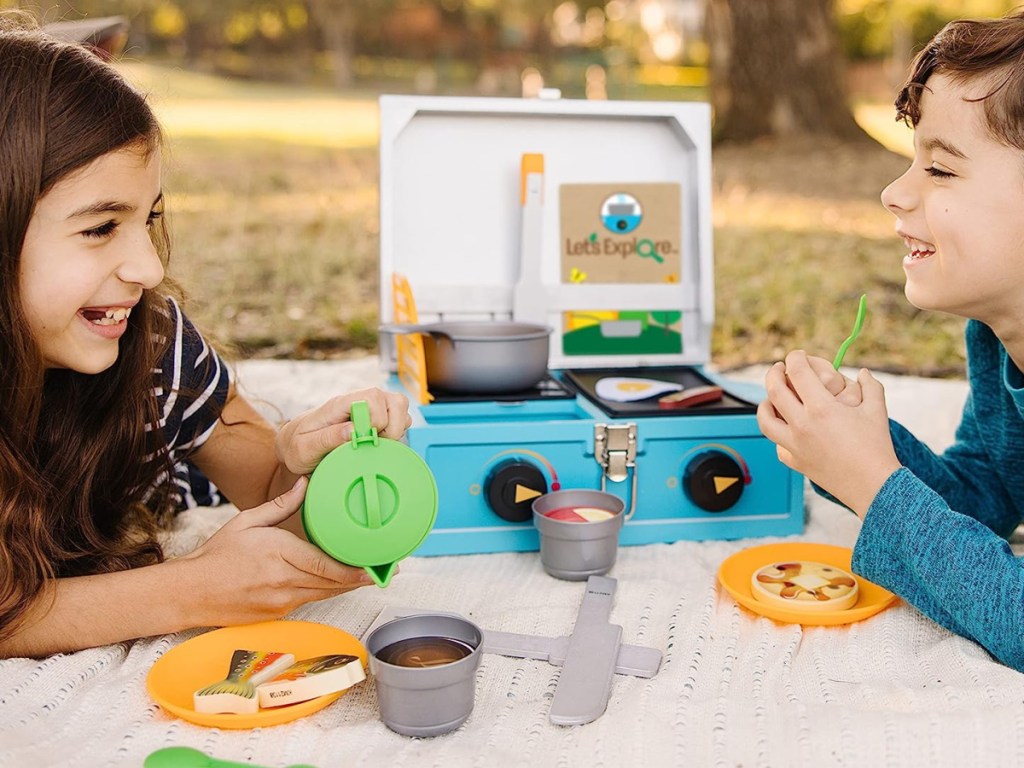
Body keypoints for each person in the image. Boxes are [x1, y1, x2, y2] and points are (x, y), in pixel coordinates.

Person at [0, 17, 411, 658]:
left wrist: (311, 467)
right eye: (100, 227)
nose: (149, 268)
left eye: (148, 217)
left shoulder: (152, 346)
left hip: (162, 479)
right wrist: (191, 589)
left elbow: (275, 496)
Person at [757, 10, 1024, 672]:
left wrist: (873, 483)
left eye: (939, 169)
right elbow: (989, 492)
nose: (894, 192)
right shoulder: (996, 340)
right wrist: (855, 445)